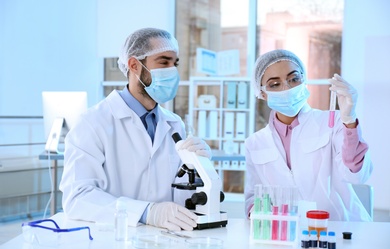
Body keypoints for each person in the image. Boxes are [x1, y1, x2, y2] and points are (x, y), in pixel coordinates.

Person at [59, 28, 212, 231]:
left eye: (174, 63)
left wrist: (198, 169)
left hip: (165, 241)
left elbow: (182, 199)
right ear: (134, 65)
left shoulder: (174, 124)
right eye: (163, 62)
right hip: (114, 240)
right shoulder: (93, 122)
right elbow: (77, 197)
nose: (172, 71)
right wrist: (146, 212)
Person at [244, 49, 373, 221]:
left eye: (294, 79)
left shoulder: (332, 122)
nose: (287, 88)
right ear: (261, 93)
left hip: (343, 228)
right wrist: (259, 215)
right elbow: (253, 198)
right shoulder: (255, 143)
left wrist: (349, 120)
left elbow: (356, 175)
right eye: (275, 84)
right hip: (290, 235)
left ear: (304, 80)